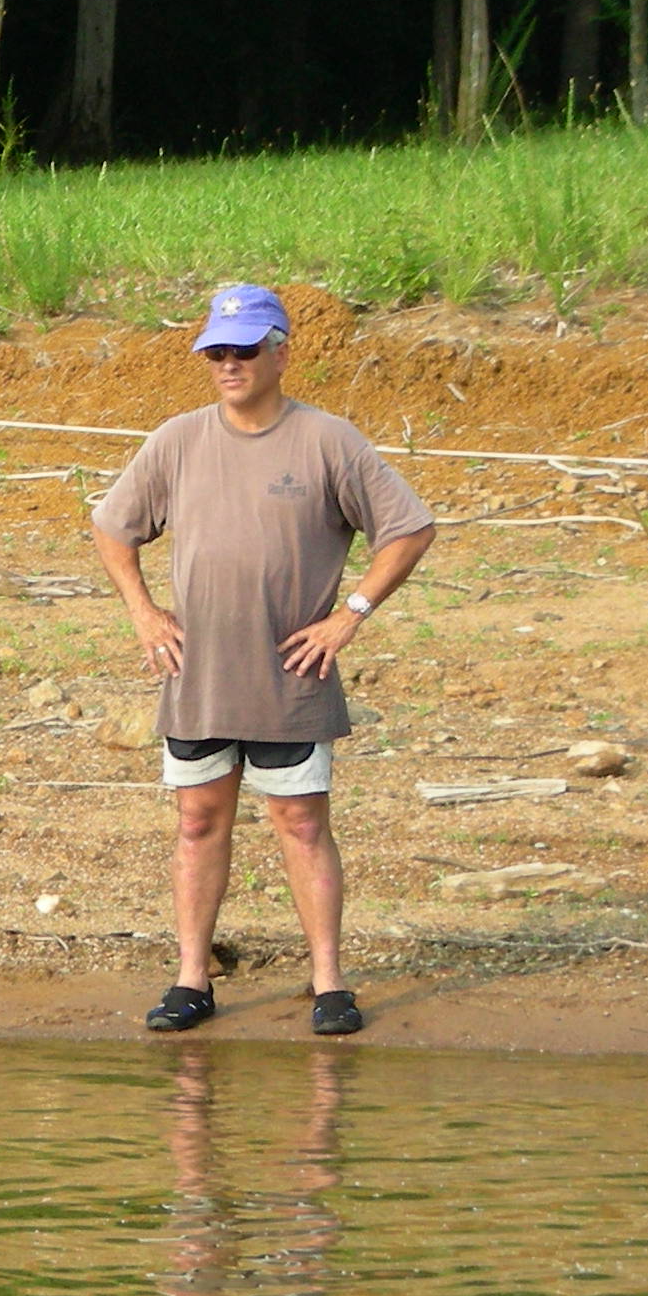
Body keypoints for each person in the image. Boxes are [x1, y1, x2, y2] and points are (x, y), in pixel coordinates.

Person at [90, 284, 436, 1037]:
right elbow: (112, 529)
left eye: (244, 349)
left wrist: (350, 617)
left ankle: (329, 985)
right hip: (198, 675)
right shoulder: (177, 439)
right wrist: (145, 615)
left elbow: (408, 529)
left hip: (292, 676)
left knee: (302, 823)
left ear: (282, 351)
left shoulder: (329, 441)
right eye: (216, 350)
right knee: (196, 821)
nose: (228, 363)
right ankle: (191, 980)